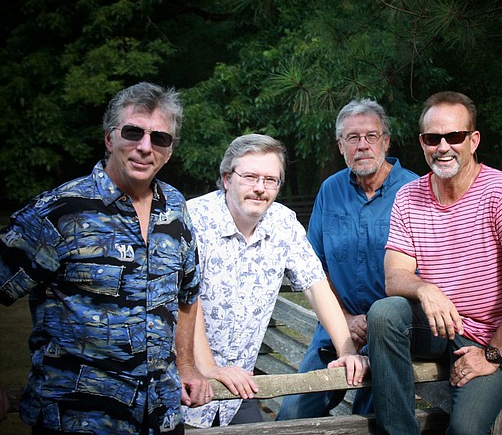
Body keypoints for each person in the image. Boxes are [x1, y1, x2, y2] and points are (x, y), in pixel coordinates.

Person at [0, 82, 211, 434]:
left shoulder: (174, 208)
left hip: (160, 416)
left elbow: (188, 294)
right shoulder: (62, 211)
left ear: (170, 151)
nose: (145, 147)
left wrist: (187, 365)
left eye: (159, 138)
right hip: (79, 420)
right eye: (133, 133)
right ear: (110, 139)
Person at [366, 91, 502, 435]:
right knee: (385, 313)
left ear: (473, 140)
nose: (443, 146)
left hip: (488, 337)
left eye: (455, 136)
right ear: (422, 142)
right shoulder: (409, 195)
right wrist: (425, 288)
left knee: (465, 430)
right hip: (438, 325)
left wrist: (493, 355)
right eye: (433, 138)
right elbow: (394, 276)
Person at [181, 134, 369, 428]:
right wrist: (208, 367)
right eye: (250, 177)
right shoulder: (192, 219)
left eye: (271, 180)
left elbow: (317, 288)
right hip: (181, 382)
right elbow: (185, 298)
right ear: (227, 178)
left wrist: (346, 351)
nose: (260, 188)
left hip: (236, 388)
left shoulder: (283, 223)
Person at [276, 99, 418, 420]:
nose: (362, 145)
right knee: (293, 414)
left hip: (393, 333)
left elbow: (431, 272)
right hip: (336, 328)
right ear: (341, 145)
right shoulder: (330, 190)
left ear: (386, 141)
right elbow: (316, 266)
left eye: (371, 136)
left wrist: (378, 323)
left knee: (369, 419)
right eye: (353, 138)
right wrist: (345, 319)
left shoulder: (414, 190)